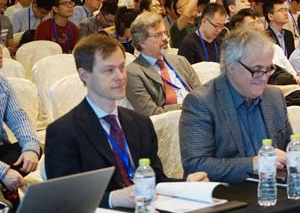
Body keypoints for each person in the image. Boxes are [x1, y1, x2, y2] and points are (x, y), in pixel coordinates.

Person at [45, 34, 208, 209]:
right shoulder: (64, 131)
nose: (120, 76)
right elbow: (64, 200)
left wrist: (186, 185)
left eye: (122, 67)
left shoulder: (140, 124)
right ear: (84, 74)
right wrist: (112, 198)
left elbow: (155, 180)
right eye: (109, 70)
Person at [179, 28, 293, 183]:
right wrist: (254, 163)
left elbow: (290, 148)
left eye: (268, 69)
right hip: (228, 192)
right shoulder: (202, 102)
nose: (264, 78)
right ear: (231, 66)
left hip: (274, 188)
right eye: (257, 70)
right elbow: (196, 165)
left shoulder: (274, 96)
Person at [126, 12, 200, 116]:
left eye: (165, 33)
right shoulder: (133, 72)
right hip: (170, 121)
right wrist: (187, 106)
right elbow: (151, 113)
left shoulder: (180, 61)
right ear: (142, 42)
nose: (165, 38)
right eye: (158, 35)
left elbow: (201, 94)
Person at [0, 46, 41, 207]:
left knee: (32, 149)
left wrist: (31, 148)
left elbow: (19, 118)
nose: (0, 50)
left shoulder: (2, 83)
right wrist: (3, 171)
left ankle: (5, 190)